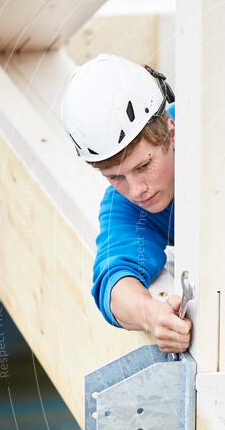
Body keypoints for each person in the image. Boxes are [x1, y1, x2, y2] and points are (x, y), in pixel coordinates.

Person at [61, 54, 191, 353]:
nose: (136, 190)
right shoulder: (126, 205)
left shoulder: (221, 134)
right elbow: (115, 279)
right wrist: (153, 316)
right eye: (115, 177)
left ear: (171, 132)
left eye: (143, 166)